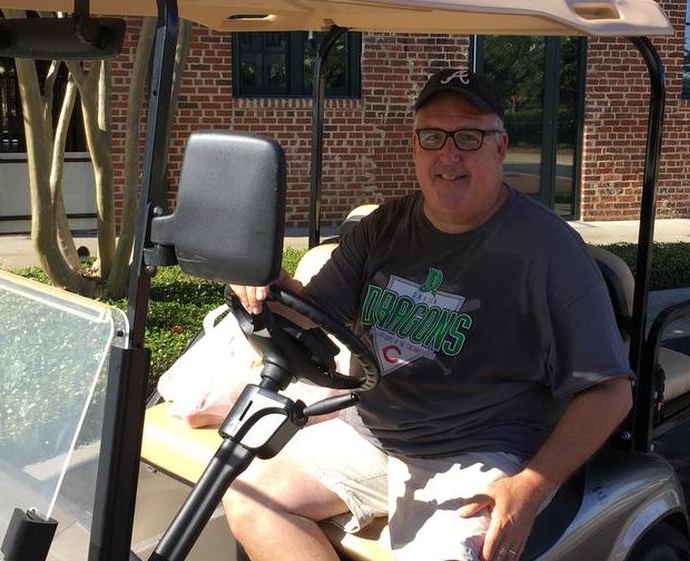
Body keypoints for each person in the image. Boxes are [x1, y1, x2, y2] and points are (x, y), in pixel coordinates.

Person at [223, 69, 633, 561]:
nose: (449, 154)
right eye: (433, 136)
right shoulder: (383, 227)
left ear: (500, 147)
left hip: (478, 450)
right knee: (250, 500)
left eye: (469, 136)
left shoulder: (549, 250)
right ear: (415, 147)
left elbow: (610, 391)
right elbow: (315, 314)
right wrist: (265, 284)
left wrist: (532, 485)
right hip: (372, 433)